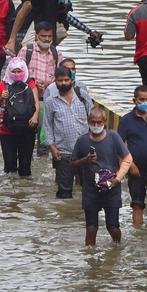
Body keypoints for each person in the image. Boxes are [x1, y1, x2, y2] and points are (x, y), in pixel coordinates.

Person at [71, 107, 133, 246]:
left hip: (112, 188)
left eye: (99, 122)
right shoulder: (82, 141)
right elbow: (73, 163)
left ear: (105, 122)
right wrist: (85, 160)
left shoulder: (113, 137)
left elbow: (127, 158)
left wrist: (117, 178)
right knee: (91, 228)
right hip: (90, 190)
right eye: (93, 122)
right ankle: (90, 259)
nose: (96, 125)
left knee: (113, 227)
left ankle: (117, 247)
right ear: (88, 122)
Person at [118, 85, 147, 227]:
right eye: (141, 100)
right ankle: (138, 234)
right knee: (137, 204)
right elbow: (119, 146)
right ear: (134, 100)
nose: (145, 102)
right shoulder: (126, 120)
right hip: (136, 171)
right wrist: (130, 165)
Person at [43, 66, 93, 199]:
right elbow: (47, 127)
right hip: (63, 153)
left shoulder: (82, 96)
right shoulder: (50, 102)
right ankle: (65, 217)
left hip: (85, 151)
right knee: (64, 191)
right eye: (60, 80)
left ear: (71, 80)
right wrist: (52, 148)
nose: (64, 83)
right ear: (55, 81)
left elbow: (93, 119)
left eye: (66, 80)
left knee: (88, 188)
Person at [0, 57, 41, 176]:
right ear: (9, 71)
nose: (17, 74)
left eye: (19, 71)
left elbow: (36, 103)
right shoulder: (2, 84)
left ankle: (24, 190)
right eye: (14, 71)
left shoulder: (30, 83)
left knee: (25, 167)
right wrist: (1, 99)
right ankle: (11, 192)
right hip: (7, 130)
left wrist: (35, 117)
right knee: (9, 168)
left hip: (27, 128)